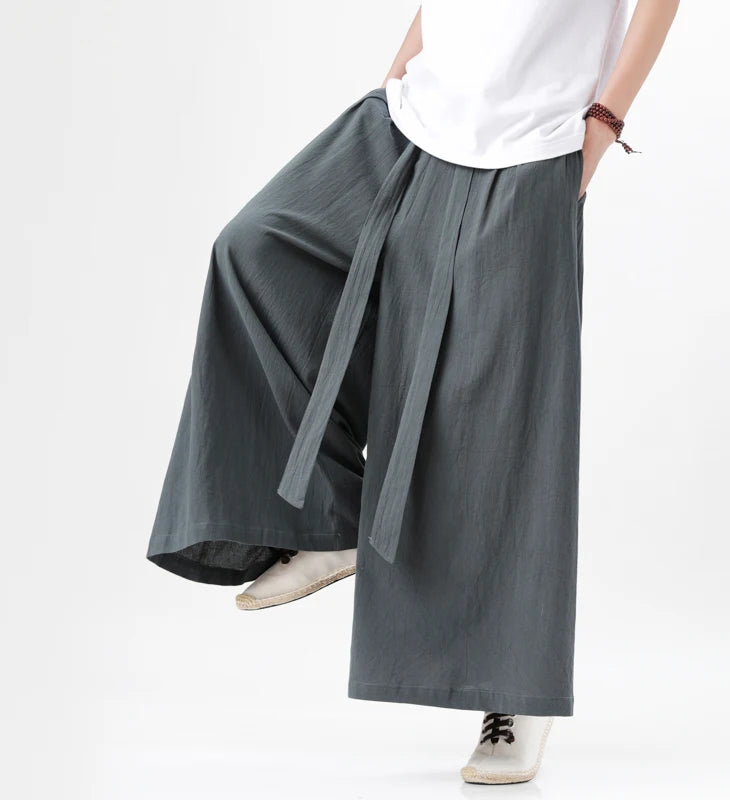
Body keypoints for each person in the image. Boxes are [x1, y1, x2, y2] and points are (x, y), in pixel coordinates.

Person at [146, 0, 680, 785]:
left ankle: (513, 693)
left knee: (501, 414)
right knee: (254, 249)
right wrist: (395, 75)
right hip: (411, 116)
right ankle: (330, 518)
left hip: (535, 141)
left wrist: (602, 124)